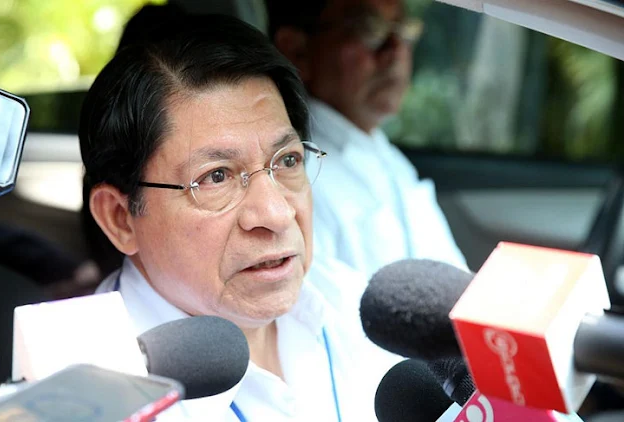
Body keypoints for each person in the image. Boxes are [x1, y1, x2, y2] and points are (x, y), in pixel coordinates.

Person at [81, 12, 402, 421]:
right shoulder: (89, 394)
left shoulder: (352, 301)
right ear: (120, 218)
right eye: (216, 177)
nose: (277, 213)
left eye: (287, 160)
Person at [265, 0, 468, 282]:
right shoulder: (298, 175)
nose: (396, 49)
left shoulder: (388, 158)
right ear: (297, 51)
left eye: (404, 29)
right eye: (369, 28)